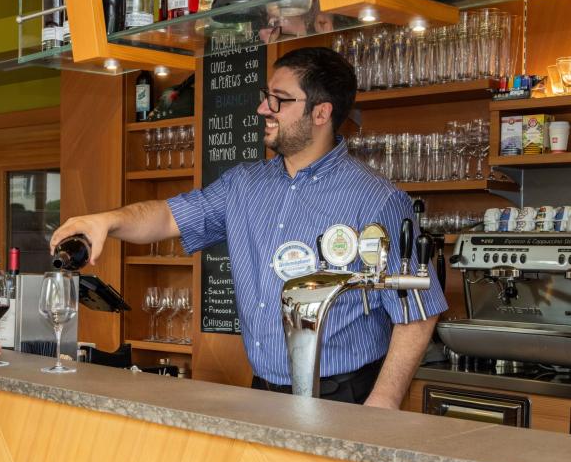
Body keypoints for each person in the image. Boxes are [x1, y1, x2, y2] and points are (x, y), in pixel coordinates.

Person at [50, 47, 448, 409]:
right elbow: (169, 216)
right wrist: (106, 220)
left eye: (279, 99)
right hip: (264, 389)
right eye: (265, 95)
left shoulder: (377, 200)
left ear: (321, 113)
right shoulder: (243, 185)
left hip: (343, 395)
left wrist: (383, 400)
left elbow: (418, 310)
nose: (263, 108)